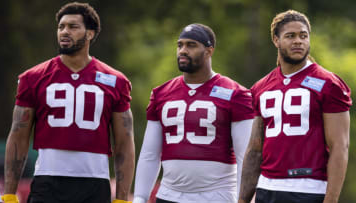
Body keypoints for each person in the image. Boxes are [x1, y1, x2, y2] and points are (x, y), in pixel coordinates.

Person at [3, 2, 135, 203]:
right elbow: (18, 136)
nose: (65, 32)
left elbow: (124, 143)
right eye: (61, 27)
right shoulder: (33, 77)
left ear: (90, 33)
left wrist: (123, 198)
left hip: (95, 184)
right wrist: (10, 193)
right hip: (48, 183)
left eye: (73, 27)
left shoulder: (115, 81)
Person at [238, 10, 352, 203]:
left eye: (303, 36)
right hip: (266, 188)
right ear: (276, 40)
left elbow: (340, 146)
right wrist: (243, 199)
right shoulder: (260, 87)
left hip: (309, 189)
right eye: (290, 36)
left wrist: (331, 199)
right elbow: (255, 149)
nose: (298, 41)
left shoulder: (329, 84)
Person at [133, 23, 255, 203]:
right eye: (180, 45)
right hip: (168, 195)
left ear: (209, 51)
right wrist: (139, 197)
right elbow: (150, 154)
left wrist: (242, 200)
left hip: (216, 196)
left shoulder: (235, 93)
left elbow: (244, 155)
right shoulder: (161, 93)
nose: (183, 50)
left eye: (191, 45)